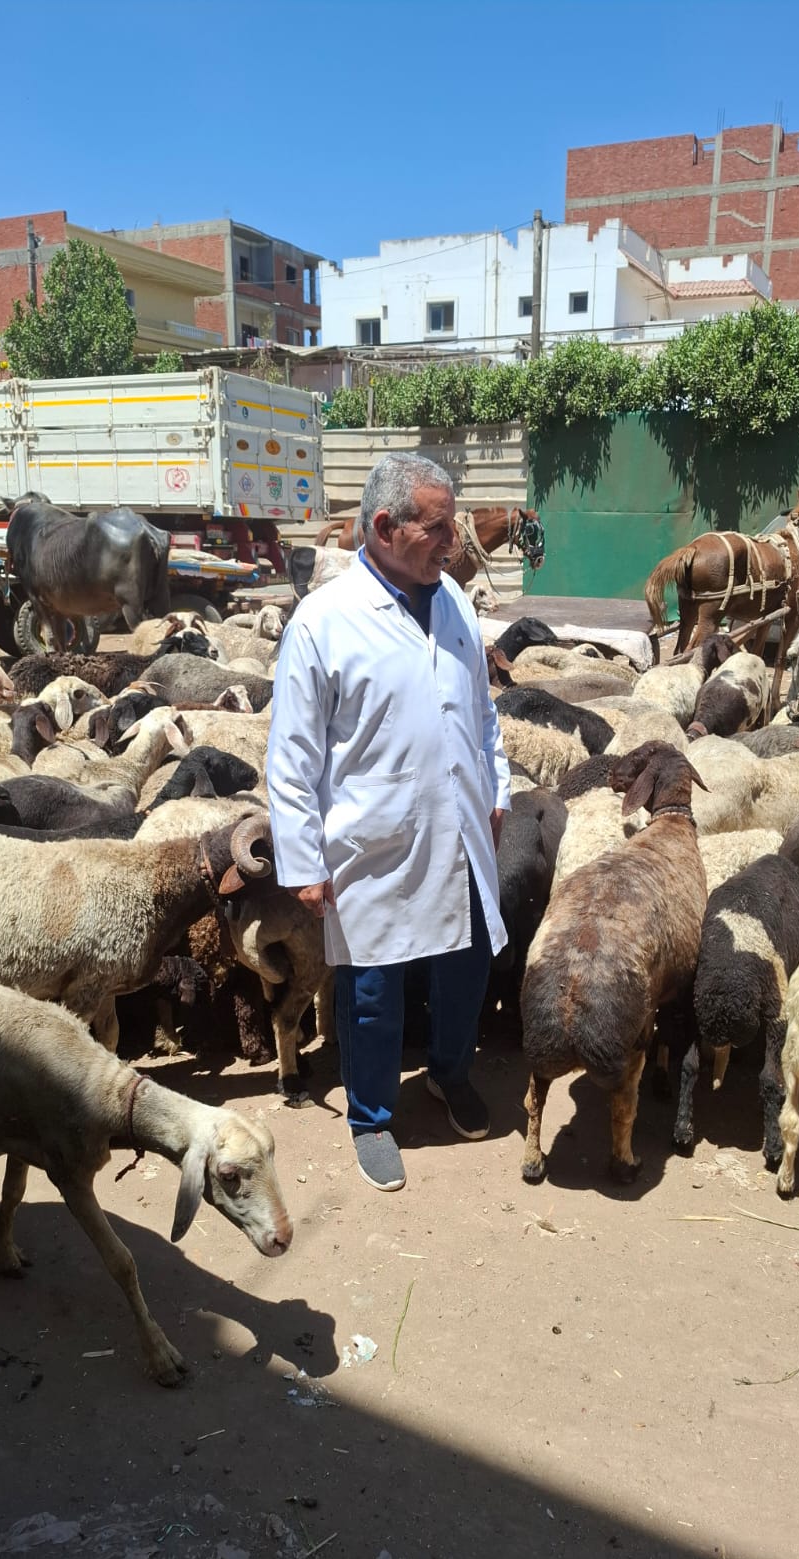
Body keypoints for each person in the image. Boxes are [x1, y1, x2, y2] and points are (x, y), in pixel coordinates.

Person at [266, 453, 511, 1192]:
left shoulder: (455, 602)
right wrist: (302, 862)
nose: (454, 543)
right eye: (438, 528)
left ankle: (448, 1074)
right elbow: (293, 754)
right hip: (373, 842)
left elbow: (482, 714)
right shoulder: (323, 622)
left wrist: (498, 788)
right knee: (372, 990)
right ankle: (371, 1117)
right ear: (384, 527)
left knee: (467, 965)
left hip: (460, 828)